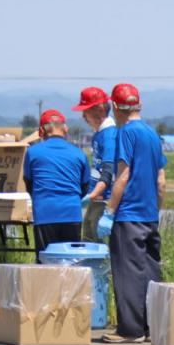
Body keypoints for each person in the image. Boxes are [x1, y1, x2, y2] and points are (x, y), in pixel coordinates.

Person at [102, 83, 166, 344]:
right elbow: (161, 180)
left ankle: (130, 329)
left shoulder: (125, 133)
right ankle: (152, 326)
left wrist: (109, 211)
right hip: (149, 215)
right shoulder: (152, 134)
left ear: (116, 107)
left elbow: (123, 174)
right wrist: (155, 208)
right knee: (151, 271)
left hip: (128, 214)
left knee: (127, 272)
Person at [23, 109, 88, 254]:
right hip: (72, 214)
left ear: (42, 131)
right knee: (71, 265)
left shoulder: (33, 152)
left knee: (46, 266)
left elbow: (29, 183)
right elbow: (84, 187)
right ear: (65, 129)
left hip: (45, 213)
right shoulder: (79, 154)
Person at [72, 87, 117, 242]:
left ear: (99, 109)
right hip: (97, 197)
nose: (83, 116)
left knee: (95, 241)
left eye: (86, 111)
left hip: (105, 199)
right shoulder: (98, 134)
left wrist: (91, 195)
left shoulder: (109, 135)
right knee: (88, 236)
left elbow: (108, 171)